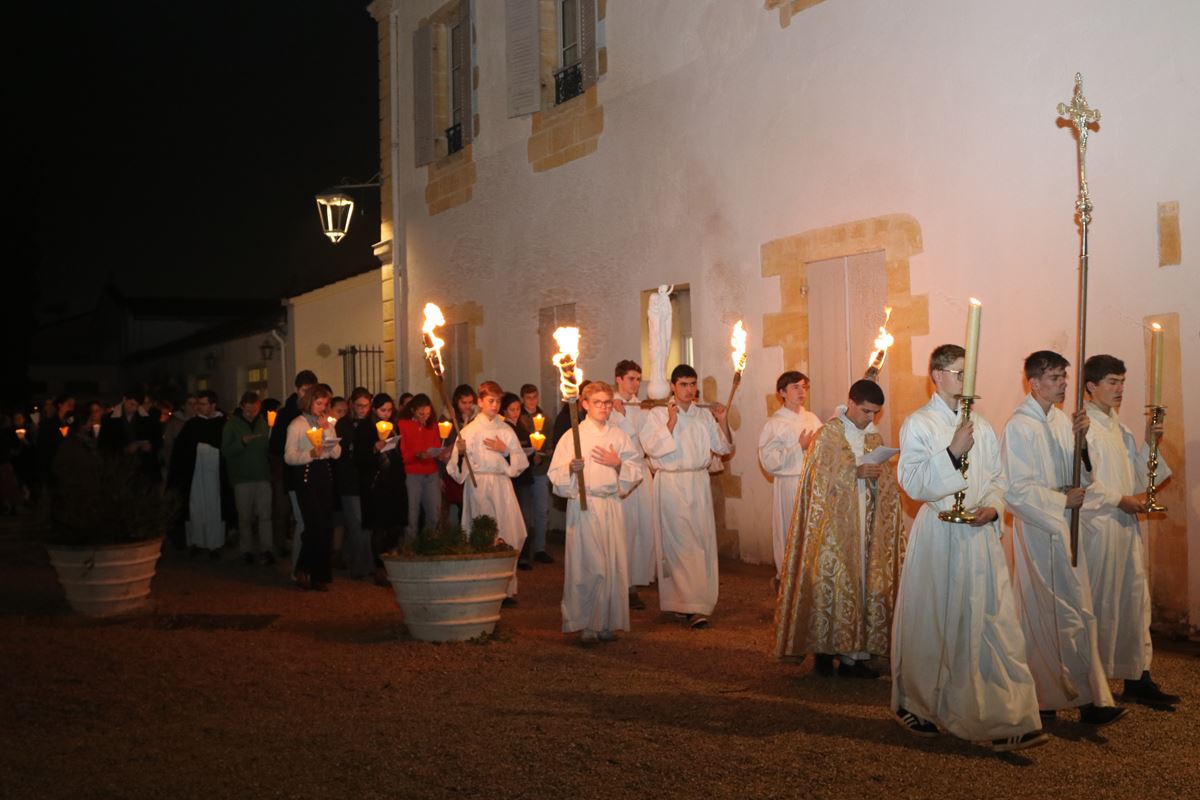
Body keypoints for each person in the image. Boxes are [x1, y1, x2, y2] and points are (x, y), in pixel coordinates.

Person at [890, 344, 1047, 753]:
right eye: (960, 374)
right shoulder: (920, 423)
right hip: (939, 533)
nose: (966, 382)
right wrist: (952, 453)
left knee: (991, 624)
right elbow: (912, 482)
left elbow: (997, 479)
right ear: (937, 375)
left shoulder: (982, 424)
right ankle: (918, 703)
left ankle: (1003, 715)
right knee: (935, 622)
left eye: (969, 374)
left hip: (978, 537)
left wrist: (993, 508)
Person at [1002, 350, 1126, 726]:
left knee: (1076, 609)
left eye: (1064, 377)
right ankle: (1049, 698)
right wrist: (1060, 501)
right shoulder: (1019, 427)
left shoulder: (1061, 421)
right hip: (1040, 529)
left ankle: (1086, 697)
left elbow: (1081, 474)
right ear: (1034, 383)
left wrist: (1082, 444)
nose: (1063, 385)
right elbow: (1015, 490)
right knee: (1046, 612)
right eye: (1055, 378)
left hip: (1067, 525)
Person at [775, 379, 902, 679]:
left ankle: (853, 658)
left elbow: (884, 480)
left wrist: (877, 475)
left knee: (862, 584)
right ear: (851, 403)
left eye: (875, 413)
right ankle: (824, 651)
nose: (870, 418)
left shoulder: (873, 436)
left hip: (865, 523)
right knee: (831, 584)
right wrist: (854, 472)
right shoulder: (827, 435)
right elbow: (818, 481)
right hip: (832, 529)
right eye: (866, 411)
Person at [1079, 355, 1179, 706]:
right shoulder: (1082, 428)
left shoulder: (1120, 429)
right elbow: (1079, 482)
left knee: (1134, 601)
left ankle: (1138, 676)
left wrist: (1151, 443)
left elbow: (1138, 479)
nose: (1120, 388)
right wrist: (1118, 500)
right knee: (1100, 603)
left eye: (1122, 381)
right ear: (1091, 386)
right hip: (1098, 528)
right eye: (1112, 382)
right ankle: (1091, 683)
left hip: (1123, 527)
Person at [549, 381, 643, 643]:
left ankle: (607, 622)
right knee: (589, 565)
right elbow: (555, 474)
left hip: (611, 505)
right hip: (585, 505)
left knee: (612, 565)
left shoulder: (619, 436)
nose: (603, 407)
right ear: (584, 404)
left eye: (607, 402)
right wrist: (570, 469)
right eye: (597, 402)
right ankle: (587, 623)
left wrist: (618, 464)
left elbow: (636, 469)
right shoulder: (573, 437)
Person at [639, 365, 732, 629]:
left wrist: (722, 420)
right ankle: (685, 604)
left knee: (699, 542)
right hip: (671, 483)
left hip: (698, 483)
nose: (689, 390)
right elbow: (650, 448)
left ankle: (694, 602)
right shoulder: (658, 414)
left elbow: (723, 447)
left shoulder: (703, 416)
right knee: (678, 544)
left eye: (693, 384)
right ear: (672, 386)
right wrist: (671, 422)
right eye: (683, 384)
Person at [448, 380, 530, 604]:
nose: (495, 406)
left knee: (510, 532)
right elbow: (454, 468)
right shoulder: (469, 430)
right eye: (491, 401)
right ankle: (481, 587)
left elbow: (521, 461)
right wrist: (461, 454)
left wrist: (506, 451)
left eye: (498, 401)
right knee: (483, 533)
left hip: (502, 485)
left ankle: (505, 588)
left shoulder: (505, 429)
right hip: (479, 486)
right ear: (480, 401)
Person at [757, 370, 822, 585]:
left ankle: (811, 580)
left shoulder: (812, 419)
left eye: (804, 387)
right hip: (790, 484)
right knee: (792, 531)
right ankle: (788, 580)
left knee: (813, 531)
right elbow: (768, 460)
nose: (801, 391)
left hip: (813, 483)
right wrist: (798, 447)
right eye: (795, 387)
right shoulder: (775, 424)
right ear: (782, 393)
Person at [283, 383, 341, 590]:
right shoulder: (297, 425)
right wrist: (310, 454)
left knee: (326, 526)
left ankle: (319, 576)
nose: (322, 408)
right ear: (309, 402)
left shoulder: (327, 423)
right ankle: (303, 569)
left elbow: (337, 453)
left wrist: (327, 432)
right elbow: (289, 456)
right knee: (314, 525)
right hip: (306, 475)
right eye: (318, 403)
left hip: (324, 474)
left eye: (325, 404)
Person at [609, 361, 655, 610]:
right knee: (624, 527)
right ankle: (621, 584)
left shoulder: (641, 407)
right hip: (620, 472)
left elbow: (647, 439)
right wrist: (622, 416)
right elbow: (619, 439)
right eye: (631, 379)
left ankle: (635, 581)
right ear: (619, 379)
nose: (636, 384)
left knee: (643, 527)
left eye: (638, 379)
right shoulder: (608, 407)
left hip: (641, 471)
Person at [168, 390, 230, 559]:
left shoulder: (223, 423)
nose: (199, 407)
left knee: (214, 507)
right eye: (198, 404)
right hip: (195, 473)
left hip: (215, 473)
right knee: (196, 506)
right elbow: (181, 449)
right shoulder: (192, 424)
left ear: (213, 405)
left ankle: (214, 543)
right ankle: (197, 542)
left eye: (203, 404)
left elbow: (227, 446)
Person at [269, 370, 318, 569]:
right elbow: (276, 446)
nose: (307, 395)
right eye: (304, 390)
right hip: (289, 472)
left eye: (311, 391)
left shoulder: (315, 412)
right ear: (297, 390)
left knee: (309, 519)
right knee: (291, 515)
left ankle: (308, 563)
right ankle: (289, 557)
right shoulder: (286, 414)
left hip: (312, 473)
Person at [221, 391, 274, 566]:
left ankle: (267, 549)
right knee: (244, 517)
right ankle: (246, 550)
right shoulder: (232, 425)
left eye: (255, 410)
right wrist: (242, 442)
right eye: (248, 410)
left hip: (262, 476)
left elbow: (268, 448)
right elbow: (226, 451)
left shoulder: (263, 424)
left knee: (265, 516)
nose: (252, 414)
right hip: (242, 478)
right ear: (242, 407)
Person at [365, 393, 408, 578]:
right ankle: (379, 566)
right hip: (377, 483)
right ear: (374, 410)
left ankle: (392, 559)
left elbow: (399, 452)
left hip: (394, 481)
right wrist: (375, 448)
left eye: (390, 410)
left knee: (395, 524)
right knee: (379, 526)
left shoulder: (394, 426)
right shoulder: (367, 428)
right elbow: (360, 456)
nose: (387, 414)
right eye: (383, 410)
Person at [334, 387, 376, 579]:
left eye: (366, 406)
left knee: (367, 524)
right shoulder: (343, 425)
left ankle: (369, 564)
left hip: (367, 480)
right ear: (351, 404)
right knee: (355, 524)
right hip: (349, 480)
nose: (362, 410)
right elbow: (340, 452)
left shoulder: (372, 423)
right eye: (359, 406)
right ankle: (358, 566)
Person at [516, 383, 553, 569]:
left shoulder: (546, 419)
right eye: (528, 398)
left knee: (541, 510)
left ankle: (540, 548)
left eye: (535, 397)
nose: (532, 401)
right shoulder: (518, 418)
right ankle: (523, 551)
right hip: (523, 471)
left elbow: (550, 443)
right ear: (523, 399)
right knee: (524, 512)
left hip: (540, 471)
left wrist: (543, 454)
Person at [399, 393, 445, 539]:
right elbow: (402, 452)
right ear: (412, 410)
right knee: (411, 513)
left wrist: (440, 453)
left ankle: (432, 544)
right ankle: (410, 546)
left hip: (431, 472)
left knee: (435, 512)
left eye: (428, 413)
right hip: (412, 473)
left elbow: (436, 445)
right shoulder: (403, 425)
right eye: (421, 414)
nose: (425, 417)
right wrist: (417, 455)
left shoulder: (432, 425)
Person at [98, 388, 162, 484]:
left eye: (137, 405)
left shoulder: (147, 419)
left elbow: (158, 440)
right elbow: (103, 444)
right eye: (132, 404)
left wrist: (150, 446)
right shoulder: (109, 420)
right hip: (118, 468)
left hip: (142, 469)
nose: (134, 408)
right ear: (124, 400)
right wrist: (124, 449)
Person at [439, 384, 477, 525]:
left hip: (470, 466)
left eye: (470, 402)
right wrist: (440, 475)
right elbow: (441, 445)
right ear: (456, 401)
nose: (467, 406)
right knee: (456, 504)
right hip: (452, 466)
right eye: (463, 403)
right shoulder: (448, 418)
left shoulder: (476, 418)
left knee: (468, 505)